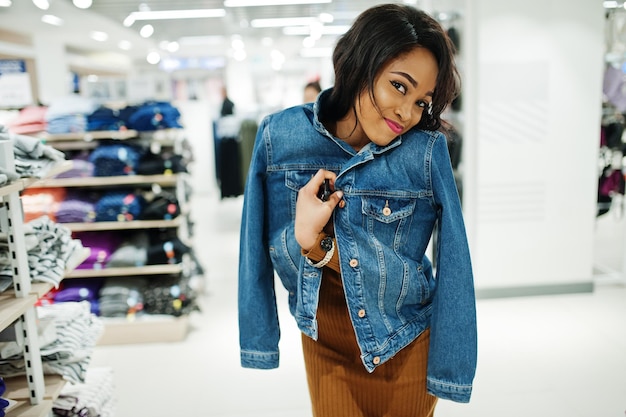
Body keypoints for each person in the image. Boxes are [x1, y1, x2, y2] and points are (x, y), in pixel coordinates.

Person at [238, 4, 477, 416]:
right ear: (360, 63)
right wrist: (259, 336)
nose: (407, 112)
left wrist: (451, 367)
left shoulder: (425, 150)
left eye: (423, 101)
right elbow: (260, 251)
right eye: (399, 86)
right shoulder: (281, 137)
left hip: (406, 338)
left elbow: (454, 259)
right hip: (324, 342)